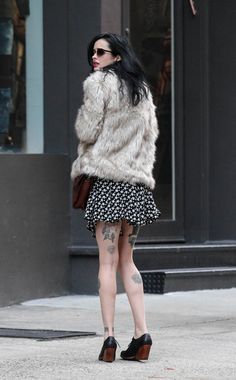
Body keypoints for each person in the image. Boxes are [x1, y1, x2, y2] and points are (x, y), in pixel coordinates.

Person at [71, 33, 160, 362]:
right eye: (92, 51)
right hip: (134, 184)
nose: (94, 57)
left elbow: (87, 130)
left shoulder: (98, 83)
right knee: (128, 261)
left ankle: (109, 338)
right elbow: (150, 137)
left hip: (108, 182)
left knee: (107, 263)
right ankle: (142, 333)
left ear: (117, 56)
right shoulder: (143, 90)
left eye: (100, 52)